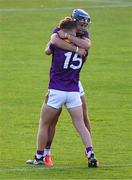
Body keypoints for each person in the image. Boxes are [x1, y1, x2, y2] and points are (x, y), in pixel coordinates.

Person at [26, 18, 98, 168]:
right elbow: (84, 46)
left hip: (56, 91)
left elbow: (47, 49)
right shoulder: (84, 50)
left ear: (64, 31)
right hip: (73, 91)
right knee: (80, 125)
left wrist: (61, 37)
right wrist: (75, 47)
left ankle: (39, 157)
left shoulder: (57, 45)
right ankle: (91, 154)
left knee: (44, 124)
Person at [43, 9, 92, 166]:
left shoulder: (79, 35)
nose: (84, 27)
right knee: (53, 120)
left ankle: (89, 151)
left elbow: (87, 44)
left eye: (86, 24)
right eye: (81, 23)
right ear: (74, 21)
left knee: (84, 117)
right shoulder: (59, 30)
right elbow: (52, 42)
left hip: (73, 81)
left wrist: (69, 38)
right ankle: (46, 154)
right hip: (63, 82)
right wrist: (77, 49)